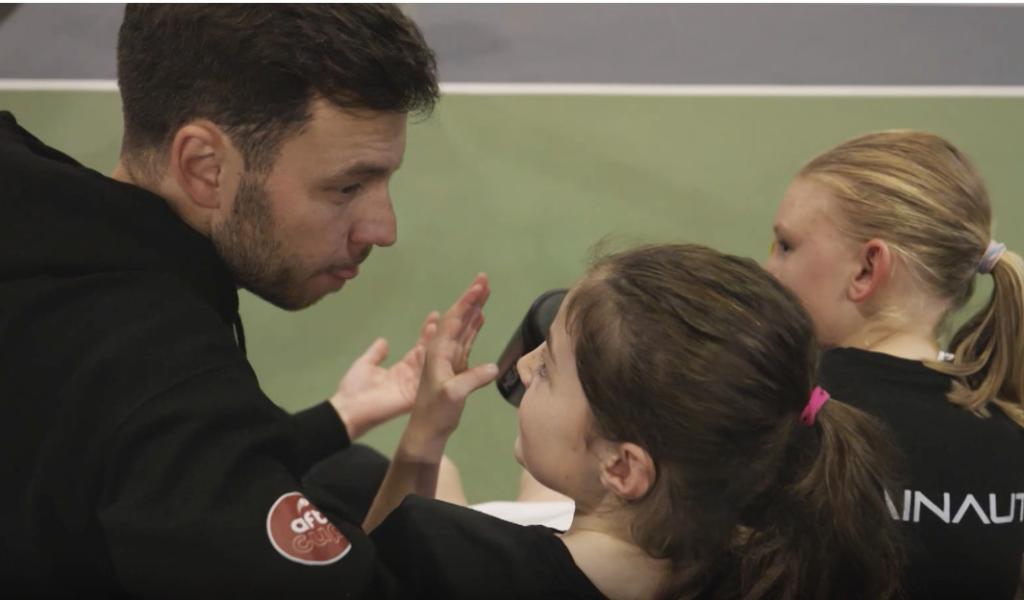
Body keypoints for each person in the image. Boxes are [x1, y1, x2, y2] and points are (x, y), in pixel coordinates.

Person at [0, 4, 476, 597]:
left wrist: (337, 419)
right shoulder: (171, 389)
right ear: (205, 167)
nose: (382, 228)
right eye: (347, 186)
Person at [364, 243, 905, 600]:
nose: (524, 368)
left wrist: (422, 441)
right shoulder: (768, 569)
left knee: (363, 473)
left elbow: (358, 579)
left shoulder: (442, 551)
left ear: (623, 467)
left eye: (548, 366)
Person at [764, 130, 1024, 600]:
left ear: (867, 269)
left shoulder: (777, 409)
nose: (769, 270)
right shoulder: (1010, 423)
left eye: (786, 246)